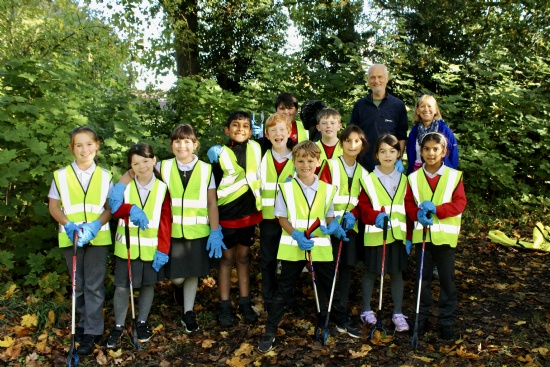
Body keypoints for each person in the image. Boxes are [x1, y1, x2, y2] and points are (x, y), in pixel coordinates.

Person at [109, 124, 224, 334]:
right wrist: (118, 188)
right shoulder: (162, 167)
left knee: (193, 274)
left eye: (187, 141)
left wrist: (215, 230)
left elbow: (212, 203)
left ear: (195, 144)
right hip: (169, 232)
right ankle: (178, 292)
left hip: (198, 231)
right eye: (178, 141)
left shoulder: (207, 169)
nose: (182, 146)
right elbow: (135, 169)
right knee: (178, 277)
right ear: (171, 145)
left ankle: (188, 312)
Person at [258, 141, 360, 353]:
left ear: (318, 161)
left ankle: (338, 320)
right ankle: (270, 330)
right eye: (301, 161)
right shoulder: (285, 188)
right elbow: (282, 217)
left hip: (320, 246)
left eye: (310, 160)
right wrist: (295, 233)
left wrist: (335, 227)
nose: (305, 165)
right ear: (294, 162)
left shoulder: (328, 189)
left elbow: (329, 216)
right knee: (283, 288)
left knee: (329, 284)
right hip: (293, 245)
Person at [48, 126, 112, 355]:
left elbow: (110, 208)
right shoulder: (61, 175)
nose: (84, 150)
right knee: (78, 286)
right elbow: (53, 206)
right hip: (71, 236)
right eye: (79, 145)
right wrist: (67, 224)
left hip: (98, 238)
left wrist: (96, 225)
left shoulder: (105, 176)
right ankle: (82, 325)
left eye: (89, 144)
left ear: (97, 146)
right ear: (71, 148)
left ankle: (92, 332)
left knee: (94, 286)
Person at [105, 143, 171, 349]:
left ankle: (141, 321)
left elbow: (165, 221)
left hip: (151, 248)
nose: (141, 166)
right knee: (122, 287)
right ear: (130, 167)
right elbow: (114, 208)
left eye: (145, 161)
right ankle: (118, 325)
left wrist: (163, 248)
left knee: (147, 285)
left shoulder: (162, 188)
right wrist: (130, 208)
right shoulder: (126, 186)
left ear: (153, 160)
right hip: (127, 247)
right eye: (136, 163)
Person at [405, 132, 467, 340]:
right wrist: (417, 215)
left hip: (445, 238)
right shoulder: (413, 178)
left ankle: (446, 321)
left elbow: (460, 203)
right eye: (426, 149)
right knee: (422, 280)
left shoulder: (453, 175)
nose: (430, 153)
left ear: (444, 152)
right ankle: (420, 319)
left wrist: (438, 210)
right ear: (420, 152)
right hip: (422, 237)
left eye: (435, 149)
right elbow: (408, 204)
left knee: (447, 281)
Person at [207, 111, 262, 327]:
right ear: (227, 130)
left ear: (251, 130)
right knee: (226, 260)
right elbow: (211, 188)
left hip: (248, 216)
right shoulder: (219, 154)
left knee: (244, 257)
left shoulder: (257, 148)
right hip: (226, 216)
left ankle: (245, 302)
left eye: (245, 126)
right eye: (235, 125)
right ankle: (224, 305)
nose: (240, 129)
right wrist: (213, 224)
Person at [354, 134, 410, 332]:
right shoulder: (368, 179)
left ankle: (397, 312)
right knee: (371, 272)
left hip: (397, 236)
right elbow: (363, 206)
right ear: (376, 154)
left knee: (396, 273)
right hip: (375, 234)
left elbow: (409, 208)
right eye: (383, 151)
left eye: (392, 151)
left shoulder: (405, 180)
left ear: (398, 154)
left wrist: (410, 236)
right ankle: (367, 309)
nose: (388, 155)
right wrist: (374, 216)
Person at [317, 125, 369, 316]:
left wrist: (353, 215)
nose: (352, 145)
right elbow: (322, 194)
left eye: (357, 141)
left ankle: (341, 306)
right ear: (341, 143)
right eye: (348, 140)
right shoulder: (330, 165)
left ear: (362, 145)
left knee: (346, 267)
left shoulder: (364, 173)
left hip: (349, 228)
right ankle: (324, 308)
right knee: (327, 266)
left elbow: (363, 201)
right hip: (329, 226)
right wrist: (331, 221)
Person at [258, 113, 295, 312]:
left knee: (289, 261)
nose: (278, 134)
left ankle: (287, 298)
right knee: (268, 260)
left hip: (290, 219)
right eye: (273, 131)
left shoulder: (298, 157)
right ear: (267, 134)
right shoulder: (262, 157)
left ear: (289, 132)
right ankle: (269, 299)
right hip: (268, 218)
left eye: (282, 129)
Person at [349, 64, 408, 172]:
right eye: (372, 77)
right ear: (368, 80)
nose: (376, 81)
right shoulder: (360, 105)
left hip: (390, 164)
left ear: (387, 78)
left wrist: (398, 158)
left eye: (380, 77)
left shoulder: (398, 105)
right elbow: (353, 135)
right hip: (364, 165)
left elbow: (401, 136)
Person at [406, 94, 459, 174]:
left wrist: (450, 173)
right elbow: (410, 156)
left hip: (440, 173)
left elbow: (453, 155)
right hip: (417, 173)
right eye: (422, 106)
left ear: (435, 110)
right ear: (417, 110)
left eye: (429, 106)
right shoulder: (414, 132)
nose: (426, 109)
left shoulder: (444, 130)